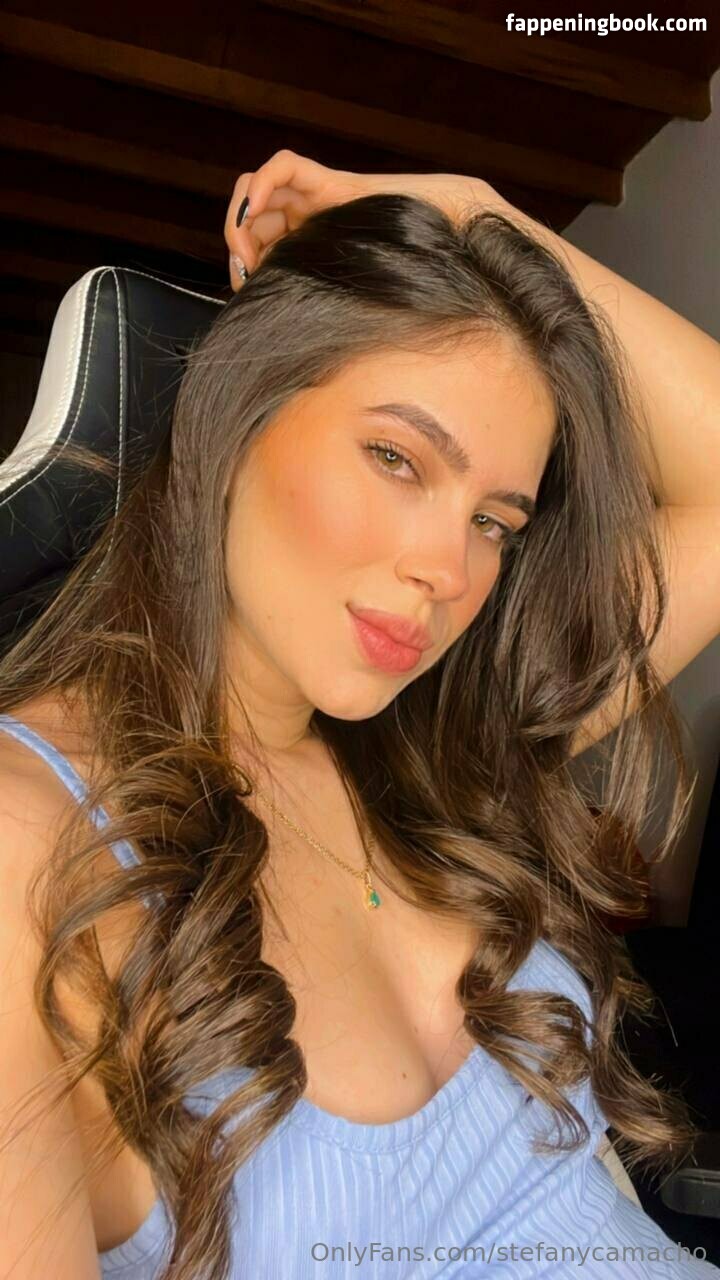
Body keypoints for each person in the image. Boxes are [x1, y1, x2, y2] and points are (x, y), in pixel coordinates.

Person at [0, 149, 718, 1280]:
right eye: (396, 456)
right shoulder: (30, 849)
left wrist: (477, 212)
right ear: (236, 413)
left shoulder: (447, 753)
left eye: (494, 521)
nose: (449, 569)